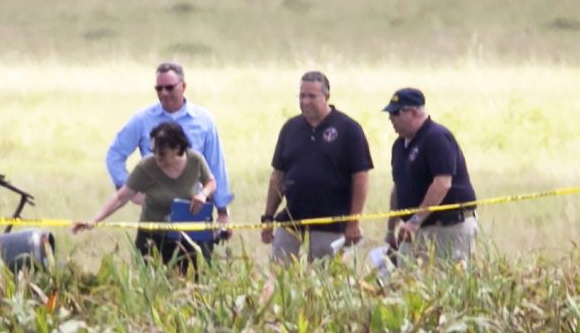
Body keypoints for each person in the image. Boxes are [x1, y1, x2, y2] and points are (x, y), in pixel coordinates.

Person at [105, 62, 233, 241]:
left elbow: (216, 167)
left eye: (169, 87)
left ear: (183, 86)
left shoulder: (204, 121)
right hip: (155, 216)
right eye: (159, 88)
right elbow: (114, 155)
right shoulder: (142, 120)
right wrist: (131, 189)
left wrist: (222, 211)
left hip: (192, 212)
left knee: (195, 266)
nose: (164, 93)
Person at [261, 71, 373, 263]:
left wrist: (353, 222)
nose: (305, 101)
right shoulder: (291, 128)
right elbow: (278, 176)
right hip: (292, 218)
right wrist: (268, 217)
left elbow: (360, 178)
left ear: (326, 96)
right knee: (279, 273)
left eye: (311, 96)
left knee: (326, 280)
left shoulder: (349, 129)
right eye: (302, 96)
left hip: (331, 221)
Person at [75, 122, 216, 270]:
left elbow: (211, 182)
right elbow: (120, 197)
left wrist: (203, 194)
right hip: (151, 238)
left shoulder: (195, 160)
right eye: (153, 151)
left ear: (177, 148)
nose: (156, 157)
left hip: (186, 238)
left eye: (161, 153)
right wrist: (94, 221)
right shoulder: (146, 167)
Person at [382, 87, 478, 263]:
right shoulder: (399, 146)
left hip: (448, 227)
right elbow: (399, 187)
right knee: (406, 284)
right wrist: (391, 229)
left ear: (413, 112)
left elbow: (442, 183)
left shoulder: (436, 137)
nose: (390, 118)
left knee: (443, 283)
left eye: (395, 113)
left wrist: (415, 220)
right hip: (415, 230)